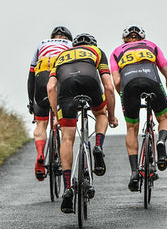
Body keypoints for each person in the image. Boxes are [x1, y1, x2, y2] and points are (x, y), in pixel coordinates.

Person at [47, 33, 118, 213]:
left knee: (67, 139)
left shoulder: (61, 56)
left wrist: (56, 115)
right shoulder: (96, 51)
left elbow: (50, 87)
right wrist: (111, 115)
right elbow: (109, 86)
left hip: (67, 90)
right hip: (90, 82)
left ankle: (68, 188)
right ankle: (98, 146)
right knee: (100, 113)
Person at [109, 25, 167, 192]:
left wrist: (123, 96)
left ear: (125, 39)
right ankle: (160, 140)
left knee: (132, 128)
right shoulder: (151, 46)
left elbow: (116, 82)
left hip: (129, 85)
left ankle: (133, 172)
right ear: (142, 38)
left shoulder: (117, 51)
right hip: (151, 81)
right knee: (164, 119)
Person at [27, 26, 73, 181]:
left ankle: (41, 154)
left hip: (40, 77)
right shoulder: (69, 46)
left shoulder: (42, 44)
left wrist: (31, 101)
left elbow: (31, 75)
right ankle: (57, 123)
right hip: (57, 77)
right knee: (60, 117)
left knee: (40, 126)